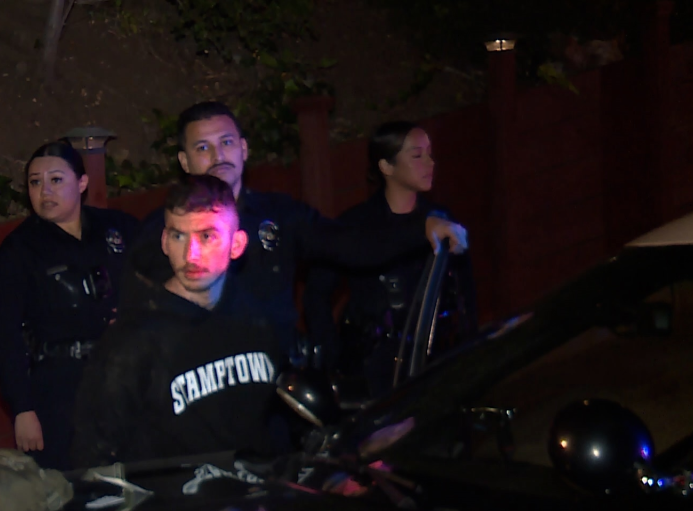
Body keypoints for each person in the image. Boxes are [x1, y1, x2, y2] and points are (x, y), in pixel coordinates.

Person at [123, 101, 469, 356]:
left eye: (227, 143)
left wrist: (421, 227)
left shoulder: (281, 215)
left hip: (276, 385)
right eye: (202, 148)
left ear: (244, 149)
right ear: (184, 162)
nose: (218, 156)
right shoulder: (161, 232)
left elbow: (353, 245)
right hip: (202, 387)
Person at [69, 175, 284, 468]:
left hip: (257, 502)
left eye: (207, 236)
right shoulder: (133, 339)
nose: (190, 255)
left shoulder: (259, 320)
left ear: (236, 245)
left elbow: (279, 426)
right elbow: (93, 450)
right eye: (178, 236)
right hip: (173, 508)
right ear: (164, 242)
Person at [0, 140, 139, 470]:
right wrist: (22, 409)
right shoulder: (19, 251)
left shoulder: (117, 228)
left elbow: (160, 278)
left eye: (56, 180)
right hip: (61, 386)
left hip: (125, 374)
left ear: (82, 183)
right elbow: (6, 334)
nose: (45, 191)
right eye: (35, 182)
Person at [303, 121, 478, 400]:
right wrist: (333, 359)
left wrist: (469, 352)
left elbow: (465, 293)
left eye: (430, 154)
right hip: (375, 373)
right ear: (386, 166)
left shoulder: (441, 219)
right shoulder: (356, 225)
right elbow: (316, 294)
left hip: (435, 361)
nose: (429, 163)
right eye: (417, 155)